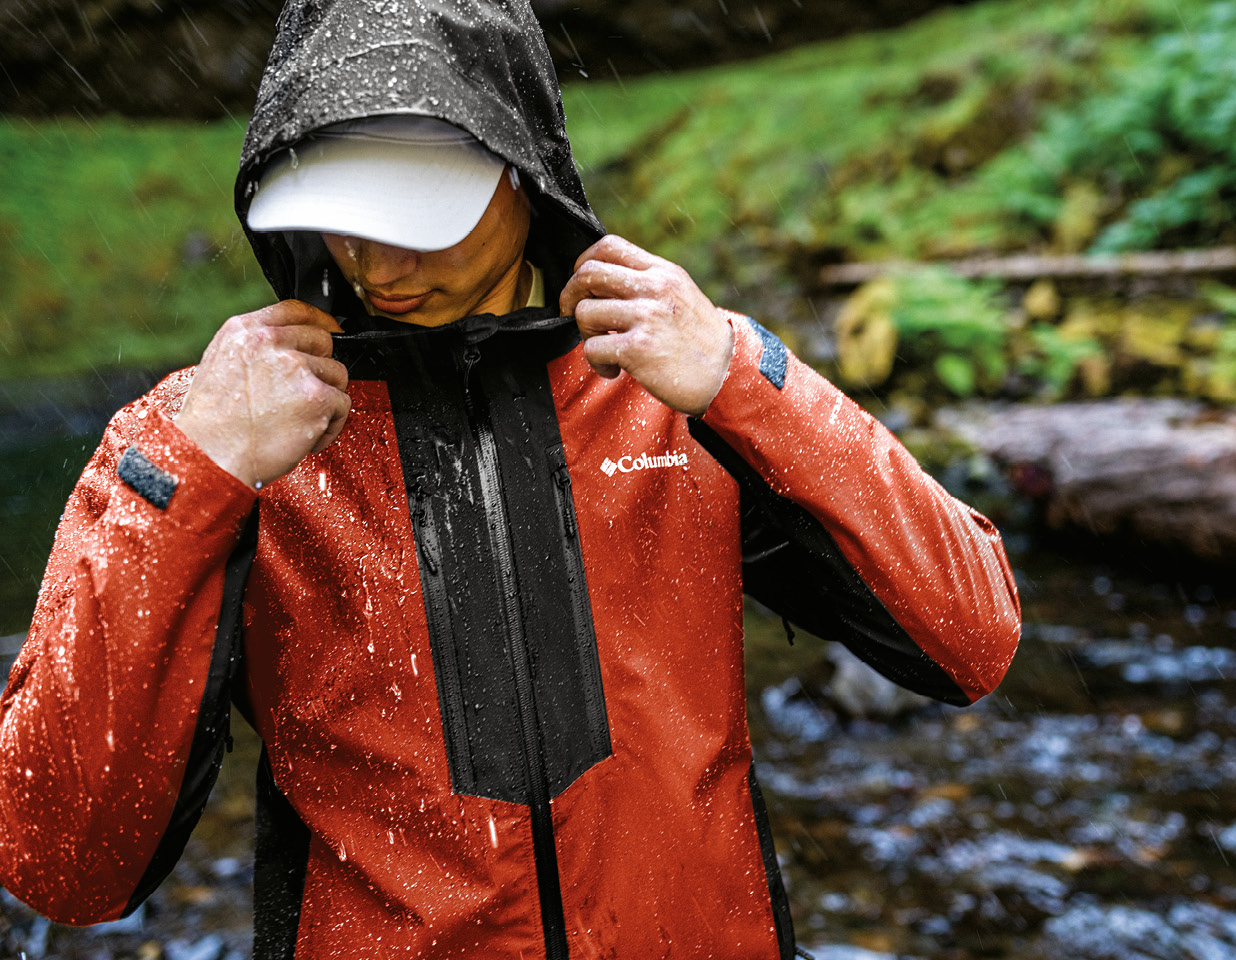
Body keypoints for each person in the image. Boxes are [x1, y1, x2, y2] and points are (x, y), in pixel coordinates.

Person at [0, 2, 1020, 957]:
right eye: (340, 209)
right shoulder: (211, 436)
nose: (368, 255)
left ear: (521, 167)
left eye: (411, 210)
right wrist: (189, 466)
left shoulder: (678, 379)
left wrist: (747, 376)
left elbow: (972, 636)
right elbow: (59, 867)